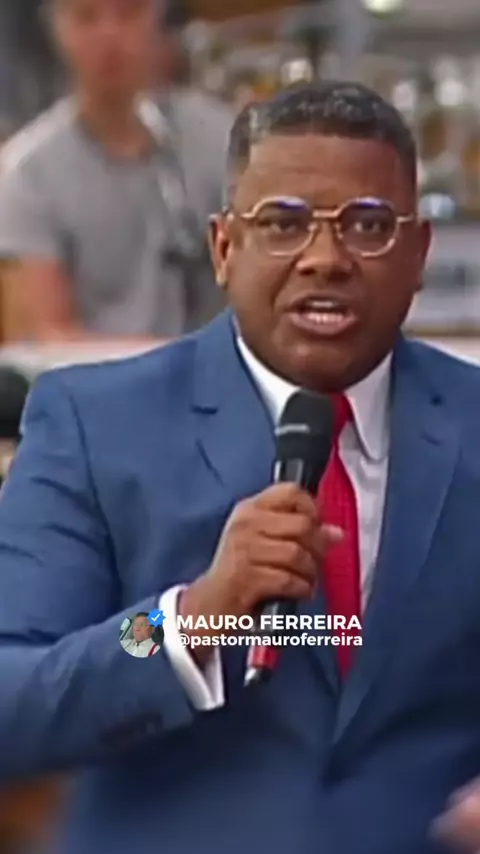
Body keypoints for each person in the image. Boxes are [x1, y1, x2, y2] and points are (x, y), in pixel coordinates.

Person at [0, 80, 479, 854]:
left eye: (367, 225)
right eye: (284, 224)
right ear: (225, 248)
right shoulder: (94, 426)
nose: (325, 259)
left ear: (419, 252)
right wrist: (187, 622)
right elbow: (12, 696)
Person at [0, 0, 231, 343]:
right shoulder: (28, 173)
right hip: (97, 374)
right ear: (58, 29)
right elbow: (42, 336)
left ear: (157, 19)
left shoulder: (220, 139)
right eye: (87, 17)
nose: (109, 35)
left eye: (128, 13)